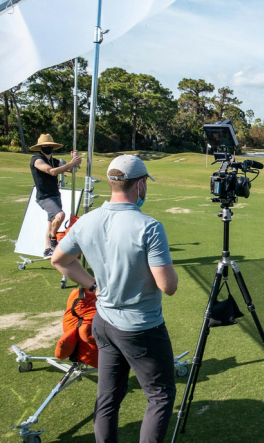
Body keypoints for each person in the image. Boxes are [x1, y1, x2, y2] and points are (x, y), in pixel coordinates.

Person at [51, 155, 178, 443]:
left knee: (108, 397)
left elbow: (59, 260)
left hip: (104, 322)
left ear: (112, 182)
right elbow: (167, 286)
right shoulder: (149, 226)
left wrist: (92, 284)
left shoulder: (87, 221)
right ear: (140, 185)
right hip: (141, 327)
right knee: (160, 396)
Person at [29, 133, 81, 257]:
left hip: (55, 194)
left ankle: (48, 249)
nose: (48, 147)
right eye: (45, 145)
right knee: (60, 215)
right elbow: (51, 171)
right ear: (40, 147)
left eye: (50, 145)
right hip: (44, 196)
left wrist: (75, 159)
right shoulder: (37, 159)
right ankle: (53, 239)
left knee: (51, 223)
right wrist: (72, 163)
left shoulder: (53, 160)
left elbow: (71, 169)